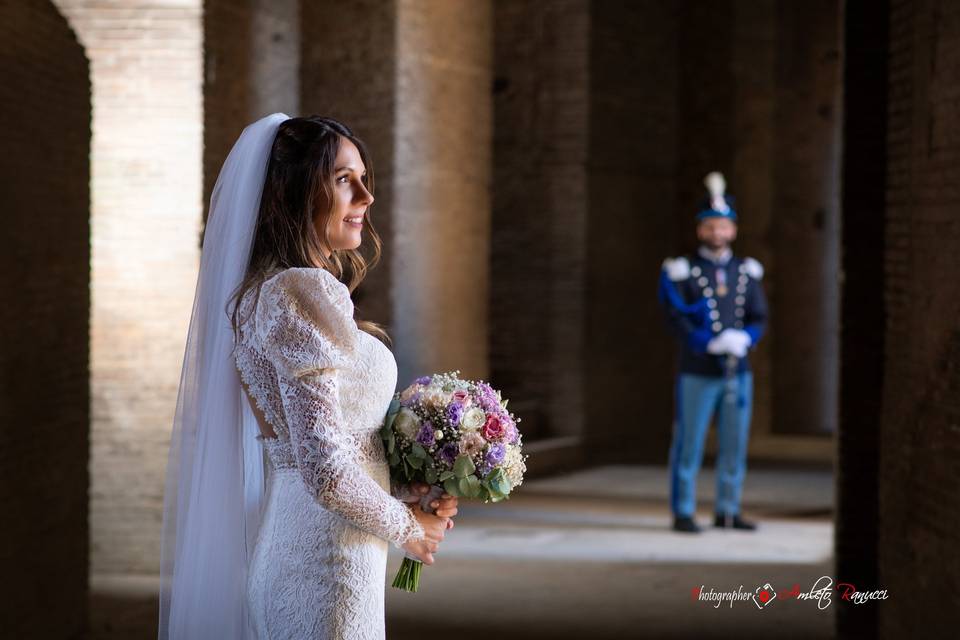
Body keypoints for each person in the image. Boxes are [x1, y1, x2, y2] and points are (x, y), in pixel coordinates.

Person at [158, 113, 459, 639]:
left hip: (312, 548)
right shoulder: (303, 292)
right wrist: (410, 529)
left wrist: (402, 490)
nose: (366, 197)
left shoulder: (264, 292)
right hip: (327, 569)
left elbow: (319, 448)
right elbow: (324, 471)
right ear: (295, 193)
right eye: (344, 180)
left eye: (364, 179)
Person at [658, 171, 768, 534]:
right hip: (698, 370)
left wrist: (746, 338)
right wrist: (706, 343)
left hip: (737, 372)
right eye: (710, 226)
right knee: (689, 443)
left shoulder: (745, 271)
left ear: (733, 230)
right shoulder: (684, 271)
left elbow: (758, 315)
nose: (717, 233)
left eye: (723, 226)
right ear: (700, 230)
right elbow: (676, 318)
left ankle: (728, 510)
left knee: (734, 445)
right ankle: (684, 510)